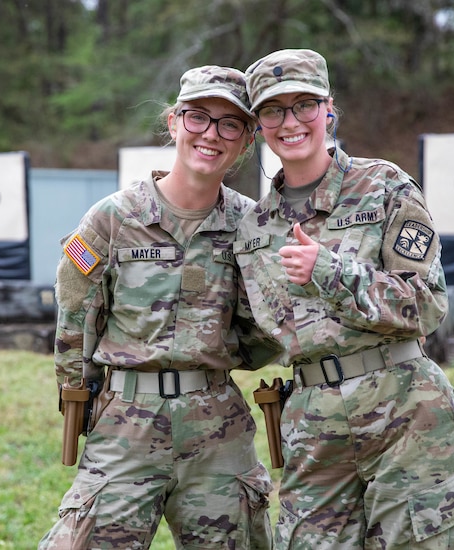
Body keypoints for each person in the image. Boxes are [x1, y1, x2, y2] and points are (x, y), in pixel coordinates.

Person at [234, 49, 454, 549]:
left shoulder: (384, 187)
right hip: (313, 428)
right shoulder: (253, 228)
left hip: (406, 418)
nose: (290, 122)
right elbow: (252, 332)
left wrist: (328, 271)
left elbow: (427, 304)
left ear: (328, 108)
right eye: (272, 110)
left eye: (304, 105)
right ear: (258, 124)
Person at [37, 65, 280, 550]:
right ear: (173, 123)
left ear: (247, 141)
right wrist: (79, 399)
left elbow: (265, 330)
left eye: (229, 124)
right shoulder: (111, 219)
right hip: (126, 421)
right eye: (197, 118)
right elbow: (75, 321)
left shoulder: (254, 225)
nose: (211, 134)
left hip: (218, 430)